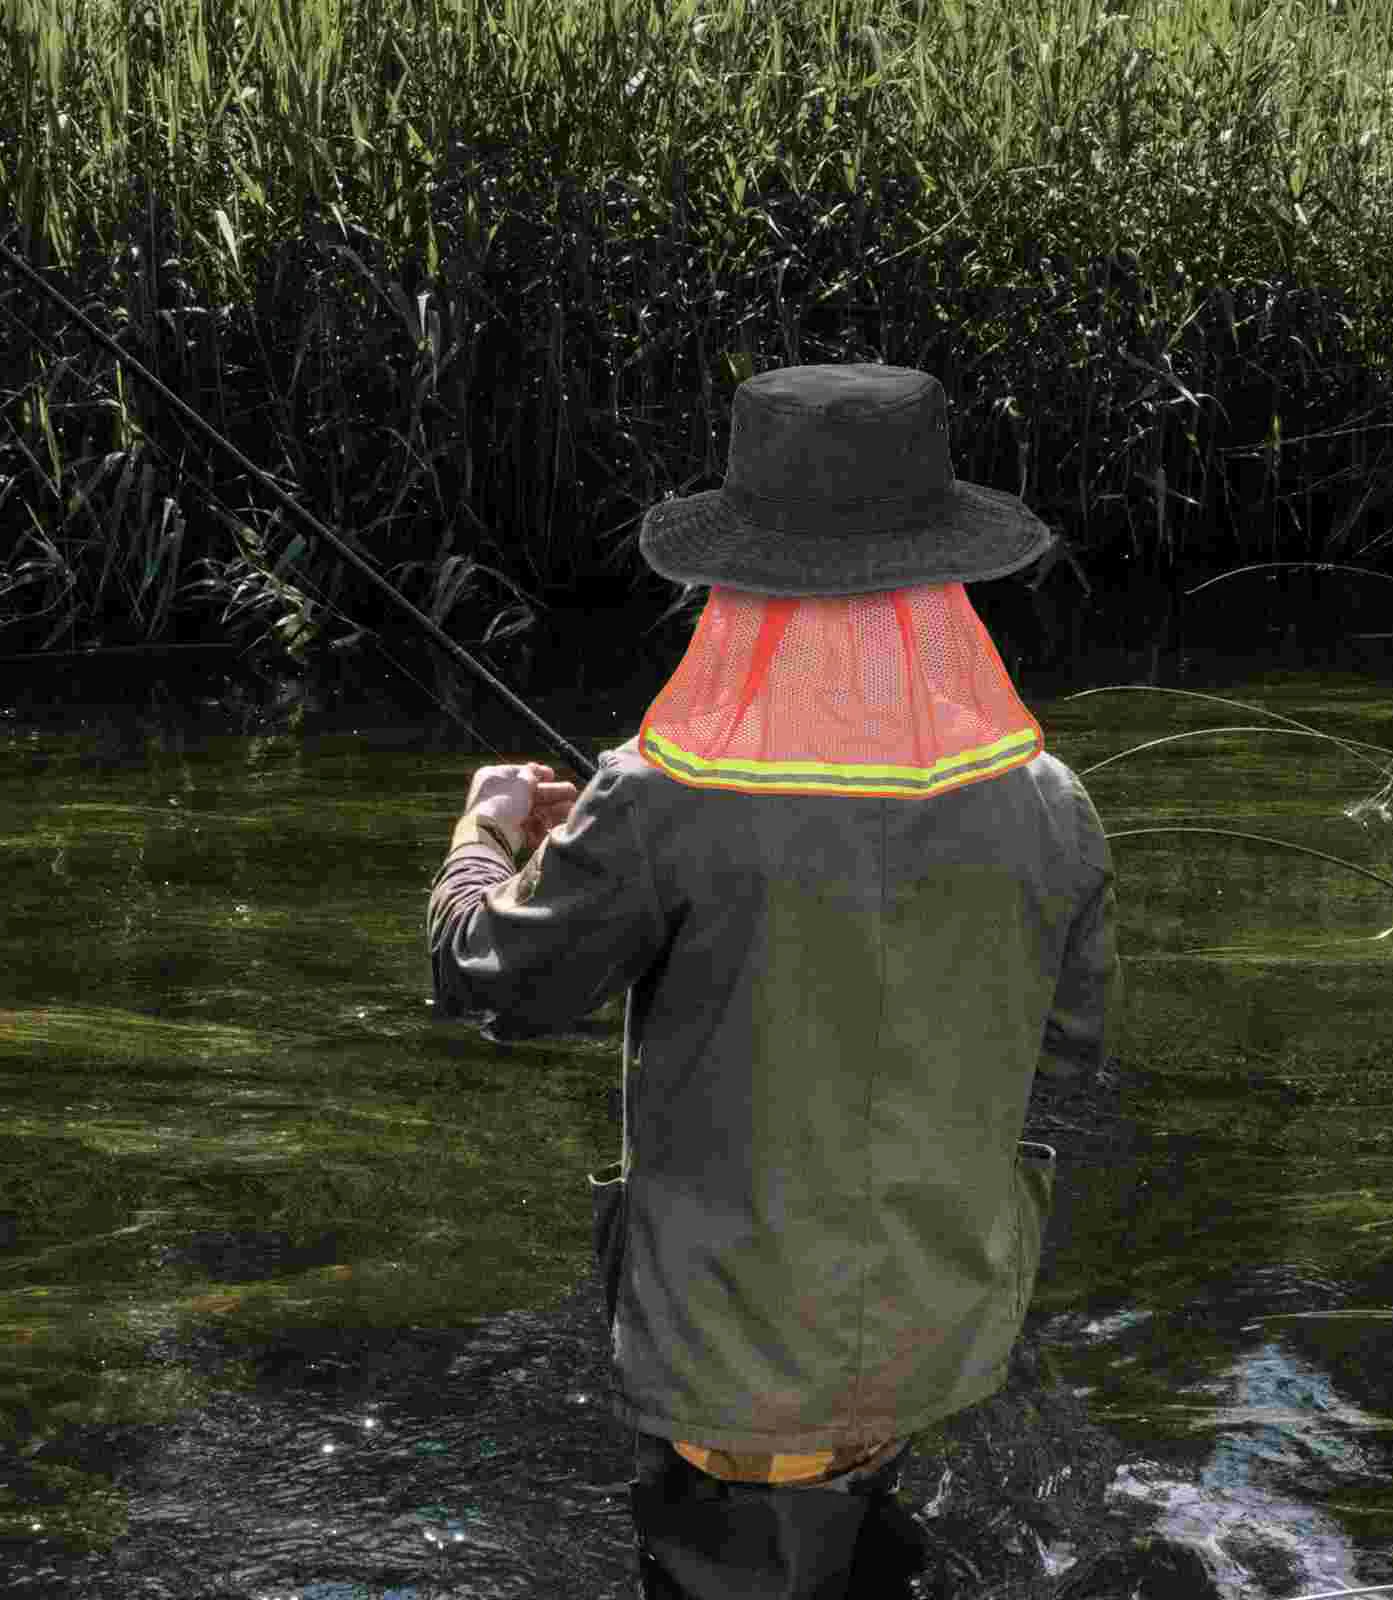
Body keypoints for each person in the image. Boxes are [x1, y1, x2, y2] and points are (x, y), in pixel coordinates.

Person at [426, 363, 1122, 1600]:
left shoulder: (658, 801)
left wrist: (487, 836)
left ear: (738, 574)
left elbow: (491, 980)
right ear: (940, 573)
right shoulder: (1051, 805)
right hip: (930, 1348)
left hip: (734, 1384)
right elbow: (1065, 1056)